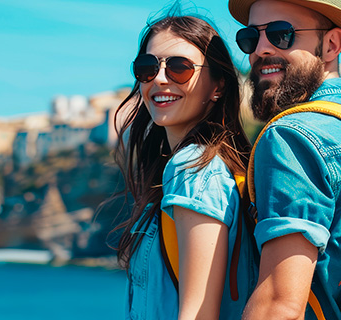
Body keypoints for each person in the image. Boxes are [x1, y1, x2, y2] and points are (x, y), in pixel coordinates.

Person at [112, 10, 258, 320]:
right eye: (147, 68)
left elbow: (197, 313)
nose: (160, 78)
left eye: (180, 67)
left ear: (218, 85)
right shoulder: (217, 166)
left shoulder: (194, 168)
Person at [228, 0, 341, 319]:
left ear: (331, 44)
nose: (260, 49)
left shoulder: (291, 137)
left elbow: (278, 304)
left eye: (281, 34)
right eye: (250, 38)